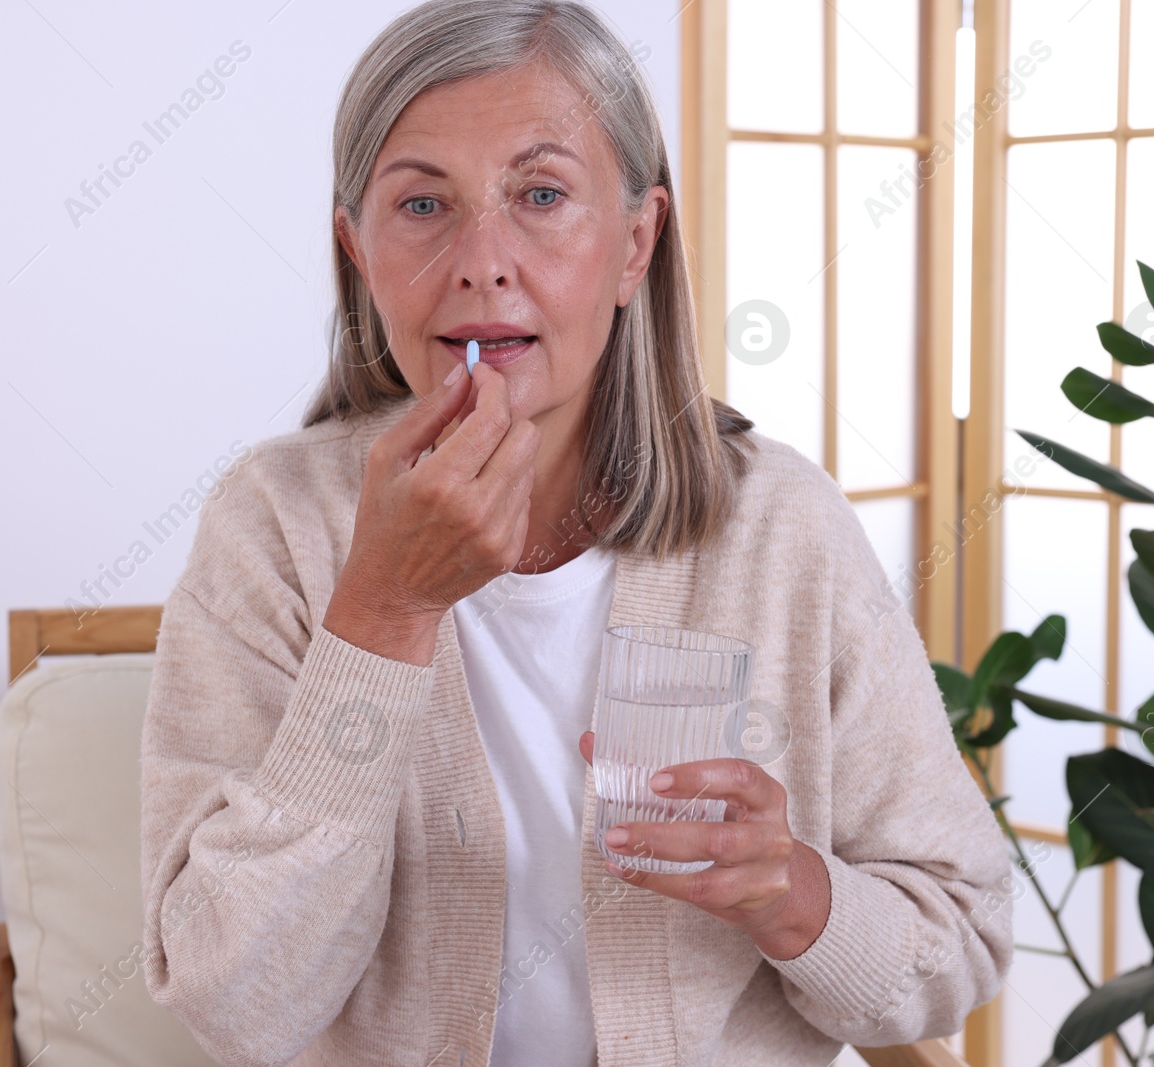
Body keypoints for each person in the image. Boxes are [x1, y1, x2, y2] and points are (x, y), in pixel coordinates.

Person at [139, 1, 1013, 1064]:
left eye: (541, 194)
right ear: (357, 249)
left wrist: (792, 892)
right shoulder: (274, 525)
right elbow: (233, 1002)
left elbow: (957, 947)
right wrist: (385, 610)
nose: (481, 261)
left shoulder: (779, 528)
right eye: (422, 203)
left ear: (635, 241)